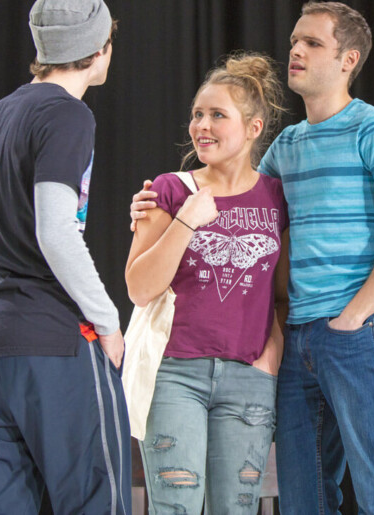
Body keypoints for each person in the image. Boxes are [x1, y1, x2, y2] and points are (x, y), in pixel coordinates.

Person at [131, 1, 374, 515]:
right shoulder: (286, 148)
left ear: (348, 59)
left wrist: (354, 315)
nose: (296, 50)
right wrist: (162, 199)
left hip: (360, 332)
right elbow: (238, 190)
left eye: (313, 43)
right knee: (302, 498)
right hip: (297, 341)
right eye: (295, 40)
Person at [0, 0, 131, 514]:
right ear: (99, 50)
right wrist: (109, 323)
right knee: (96, 500)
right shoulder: (68, 115)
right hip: (54, 343)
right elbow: (56, 230)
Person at [125, 52, 289, 514]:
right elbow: (139, 288)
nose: (202, 125)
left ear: (254, 128)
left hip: (248, 378)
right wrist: (186, 222)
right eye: (198, 114)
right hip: (175, 374)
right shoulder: (170, 190)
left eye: (218, 115)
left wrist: (271, 354)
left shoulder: (276, 197)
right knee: (176, 507)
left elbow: (281, 294)